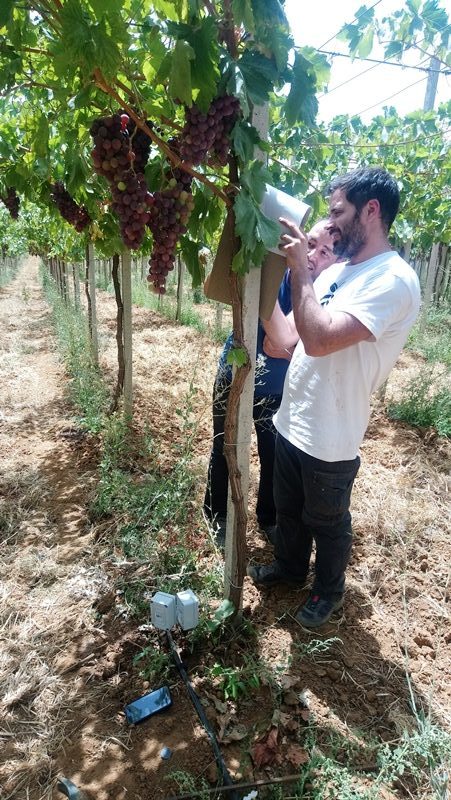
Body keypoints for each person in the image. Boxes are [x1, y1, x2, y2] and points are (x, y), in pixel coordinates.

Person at [247, 167, 421, 627]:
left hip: (332, 434)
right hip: (293, 418)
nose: (332, 222)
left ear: (371, 210)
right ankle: (289, 569)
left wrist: (299, 268)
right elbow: (288, 340)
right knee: (289, 510)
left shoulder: (393, 279)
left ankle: (328, 591)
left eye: (338, 212)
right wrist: (255, 280)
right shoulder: (339, 272)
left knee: (326, 520)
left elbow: (321, 339)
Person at [203, 220, 337, 546]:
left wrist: (288, 343)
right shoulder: (275, 271)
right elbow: (278, 344)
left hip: (277, 391)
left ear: (336, 262)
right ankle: (217, 515)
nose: (313, 255)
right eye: (311, 243)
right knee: (225, 447)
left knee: (274, 457)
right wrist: (293, 345)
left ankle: (269, 519)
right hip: (234, 377)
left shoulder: (325, 295)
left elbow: (283, 342)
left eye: (326, 252)